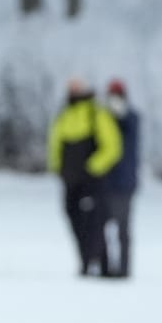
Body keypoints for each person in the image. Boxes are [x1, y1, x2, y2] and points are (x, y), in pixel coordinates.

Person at [47, 78, 125, 276]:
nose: (73, 91)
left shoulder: (96, 113)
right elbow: (55, 143)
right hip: (70, 180)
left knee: (95, 222)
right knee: (75, 221)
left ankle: (103, 265)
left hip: (92, 181)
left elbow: (112, 146)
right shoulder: (64, 115)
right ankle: (85, 262)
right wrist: (58, 167)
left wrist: (93, 167)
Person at [98, 79, 141, 279]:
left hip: (124, 184)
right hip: (105, 183)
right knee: (101, 227)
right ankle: (105, 267)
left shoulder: (131, 119)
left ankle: (123, 269)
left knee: (123, 229)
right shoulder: (103, 119)